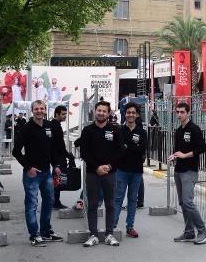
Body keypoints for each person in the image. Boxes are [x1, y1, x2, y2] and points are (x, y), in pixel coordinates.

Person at [12, 100, 63, 246]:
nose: (39, 111)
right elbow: (16, 151)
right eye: (36, 109)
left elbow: (52, 149)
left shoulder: (49, 126)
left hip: (47, 172)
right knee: (32, 204)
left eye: (42, 108)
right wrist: (29, 167)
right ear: (32, 110)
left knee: (49, 201)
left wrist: (56, 165)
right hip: (32, 175)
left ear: (45, 110)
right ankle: (34, 235)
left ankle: (46, 232)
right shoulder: (27, 128)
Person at [80, 101, 123, 247]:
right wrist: (96, 167)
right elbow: (84, 152)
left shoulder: (115, 130)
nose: (101, 113)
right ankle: (93, 235)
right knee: (92, 204)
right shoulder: (87, 130)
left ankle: (109, 234)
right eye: (99, 110)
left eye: (104, 111)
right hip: (93, 173)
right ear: (95, 111)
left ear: (108, 113)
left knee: (110, 204)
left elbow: (120, 152)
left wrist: (109, 166)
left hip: (110, 174)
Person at [170, 102, 206, 245]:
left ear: (188, 113)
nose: (179, 115)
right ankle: (188, 232)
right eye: (178, 112)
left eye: (182, 112)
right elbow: (178, 150)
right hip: (178, 170)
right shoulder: (179, 130)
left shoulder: (194, 129)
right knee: (182, 203)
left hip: (189, 170)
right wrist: (174, 156)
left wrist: (185, 155)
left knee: (188, 201)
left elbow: (202, 148)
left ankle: (203, 231)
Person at [113, 102, 147, 238]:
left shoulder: (142, 132)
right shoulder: (119, 131)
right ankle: (113, 226)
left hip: (137, 171)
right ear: (125, 114)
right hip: (121, 170)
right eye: (128, 112)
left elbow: (142, 150)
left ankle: (130, 227)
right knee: (118, 199)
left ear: (137, 115)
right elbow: (119, 150)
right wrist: (132, 147)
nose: (131, 115)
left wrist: (128, 147)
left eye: (133, 113)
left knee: (133, 200)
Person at [50, 105, 74, 210]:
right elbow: (59, 145)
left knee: (57, 180)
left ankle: (55, 201)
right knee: (57, 180)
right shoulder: (55, 126)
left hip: (57, 156)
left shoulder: (54, 124)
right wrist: (68, 155)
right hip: (57, 157)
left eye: (65, 114)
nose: (65, 116)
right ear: (57, 114)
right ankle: (55, 202)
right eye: (63, 114)